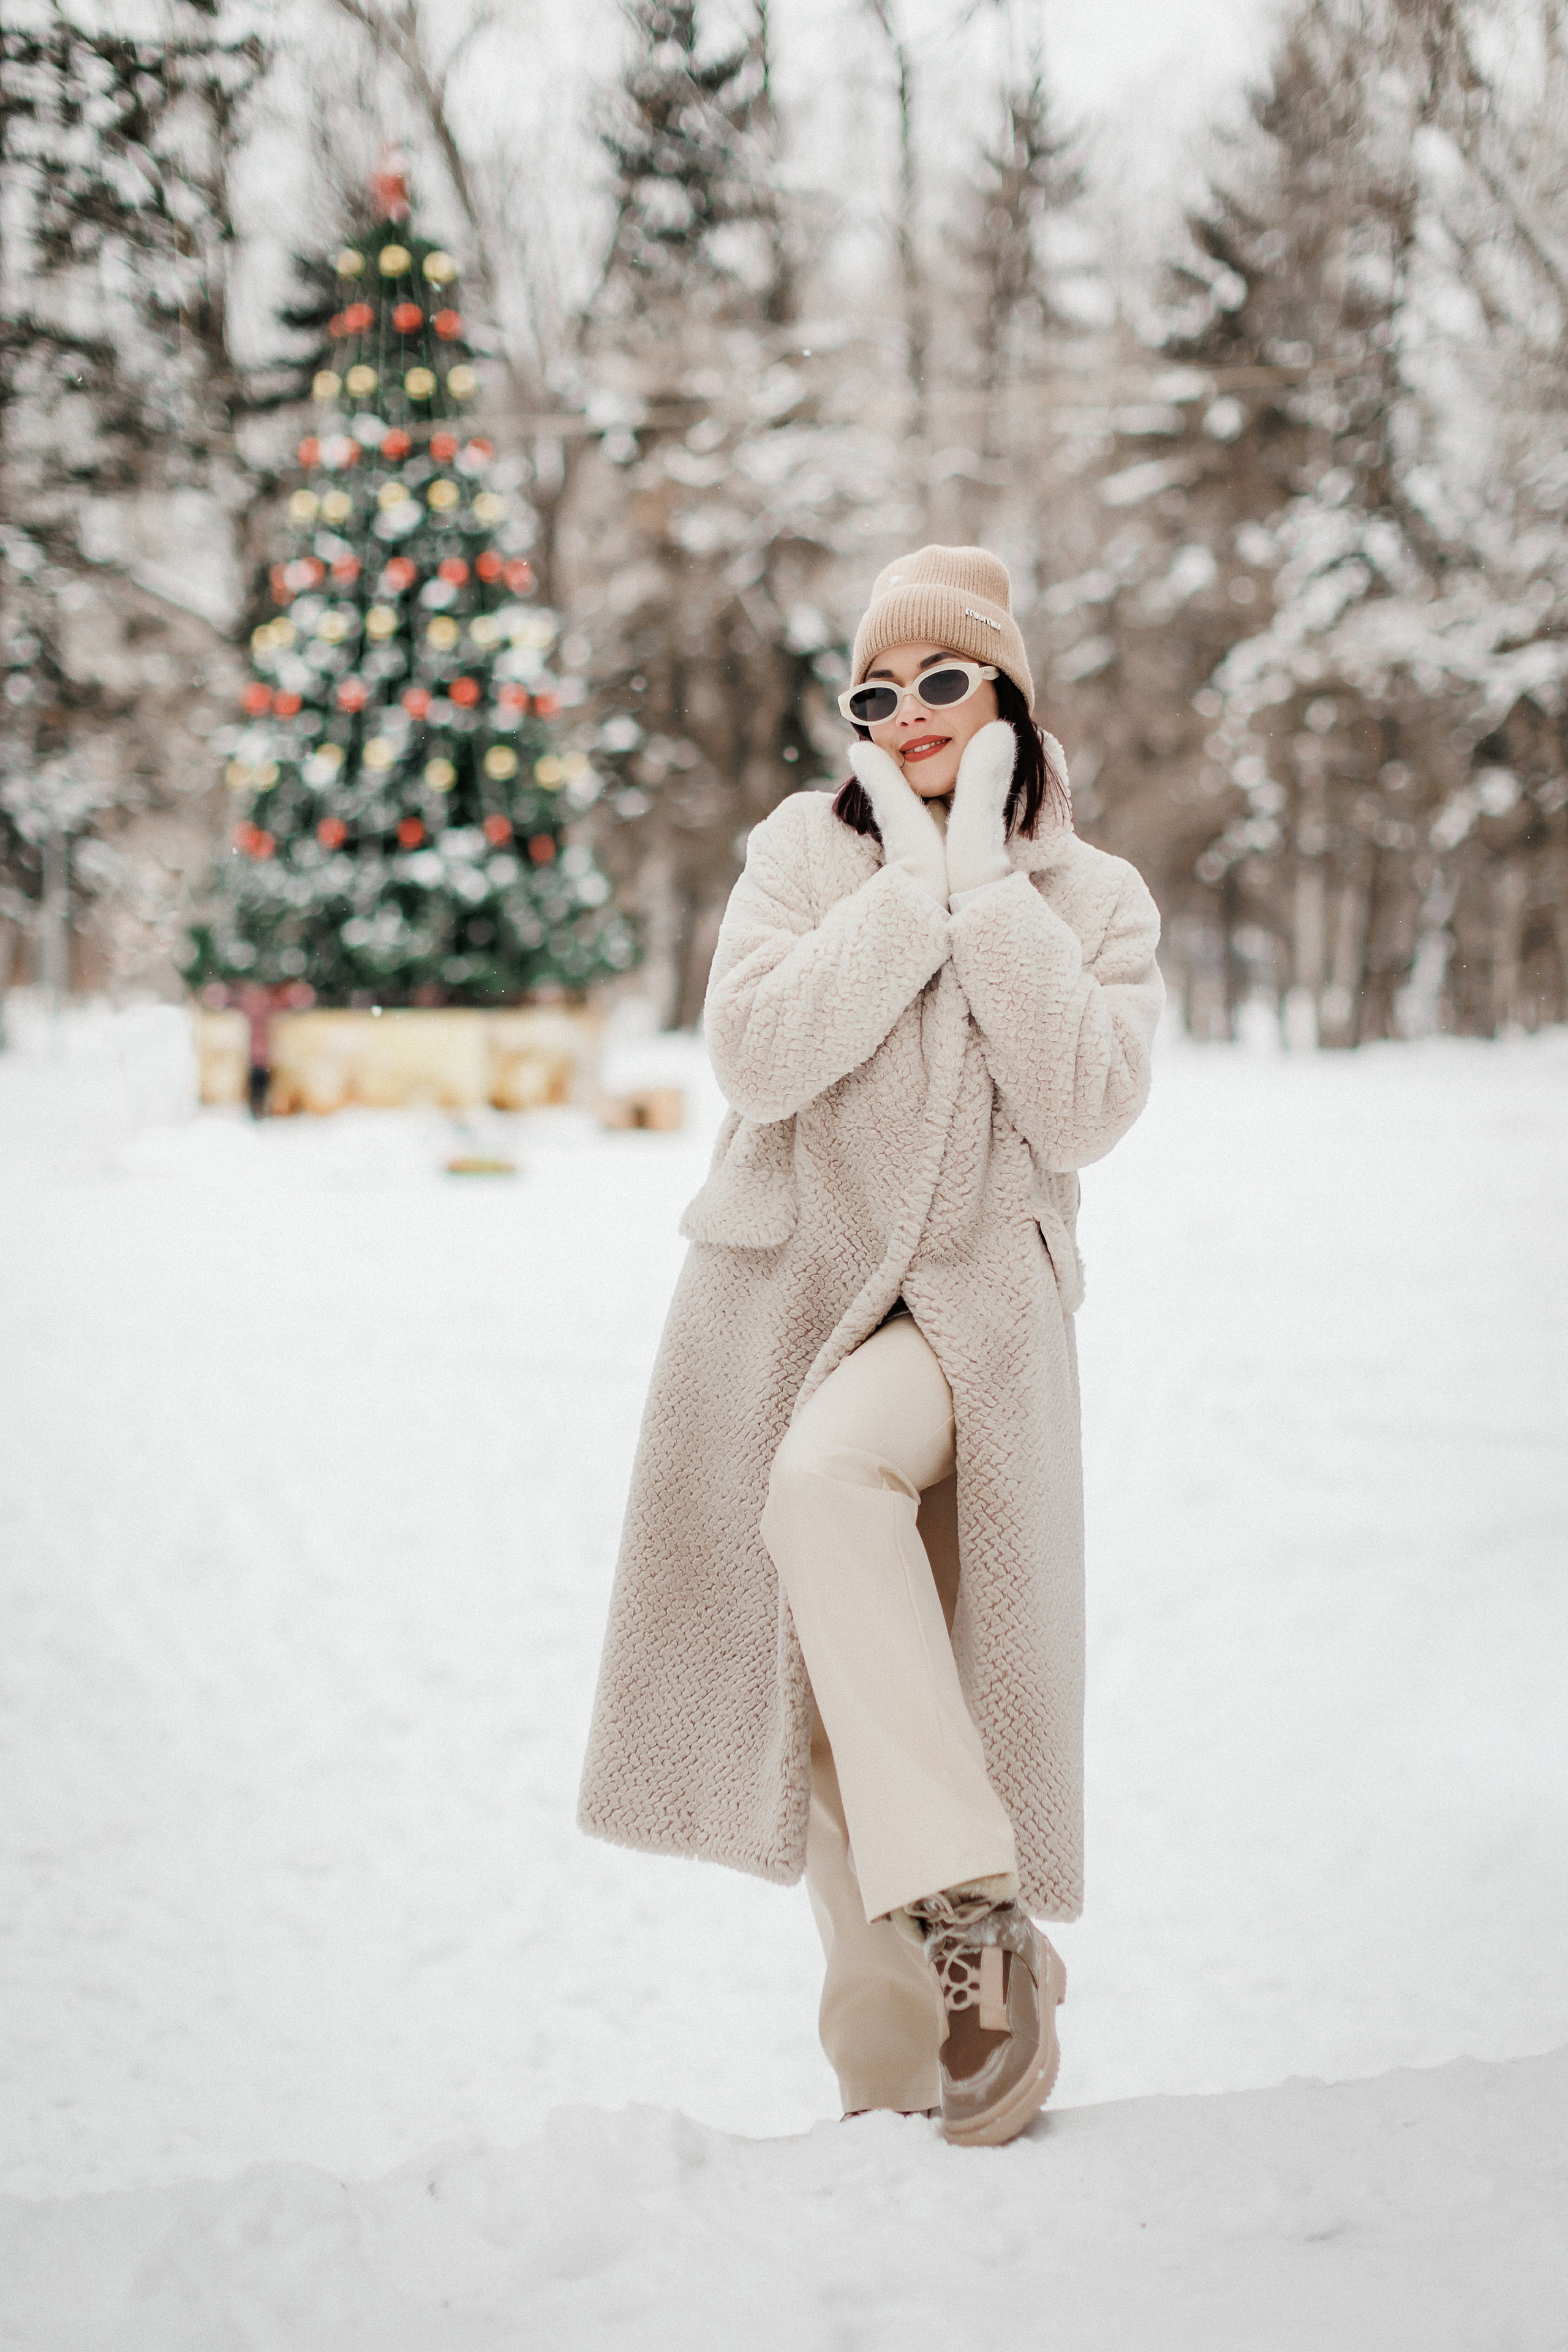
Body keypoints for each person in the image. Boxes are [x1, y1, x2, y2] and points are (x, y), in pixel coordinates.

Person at [579, 545, 1164, 2146]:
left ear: (1011, 702)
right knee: (830, 1683)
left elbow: (1088, 1103)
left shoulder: (1093, 898)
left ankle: (974, 1919)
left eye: (945, 683)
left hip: (970, 1314)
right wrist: (907, 887)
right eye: (877, 693)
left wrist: (985, 897)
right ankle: (904, 2069)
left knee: (825, 1488)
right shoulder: (797, 858)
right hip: (787, 1304)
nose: (909, 716)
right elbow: (759, 1056)